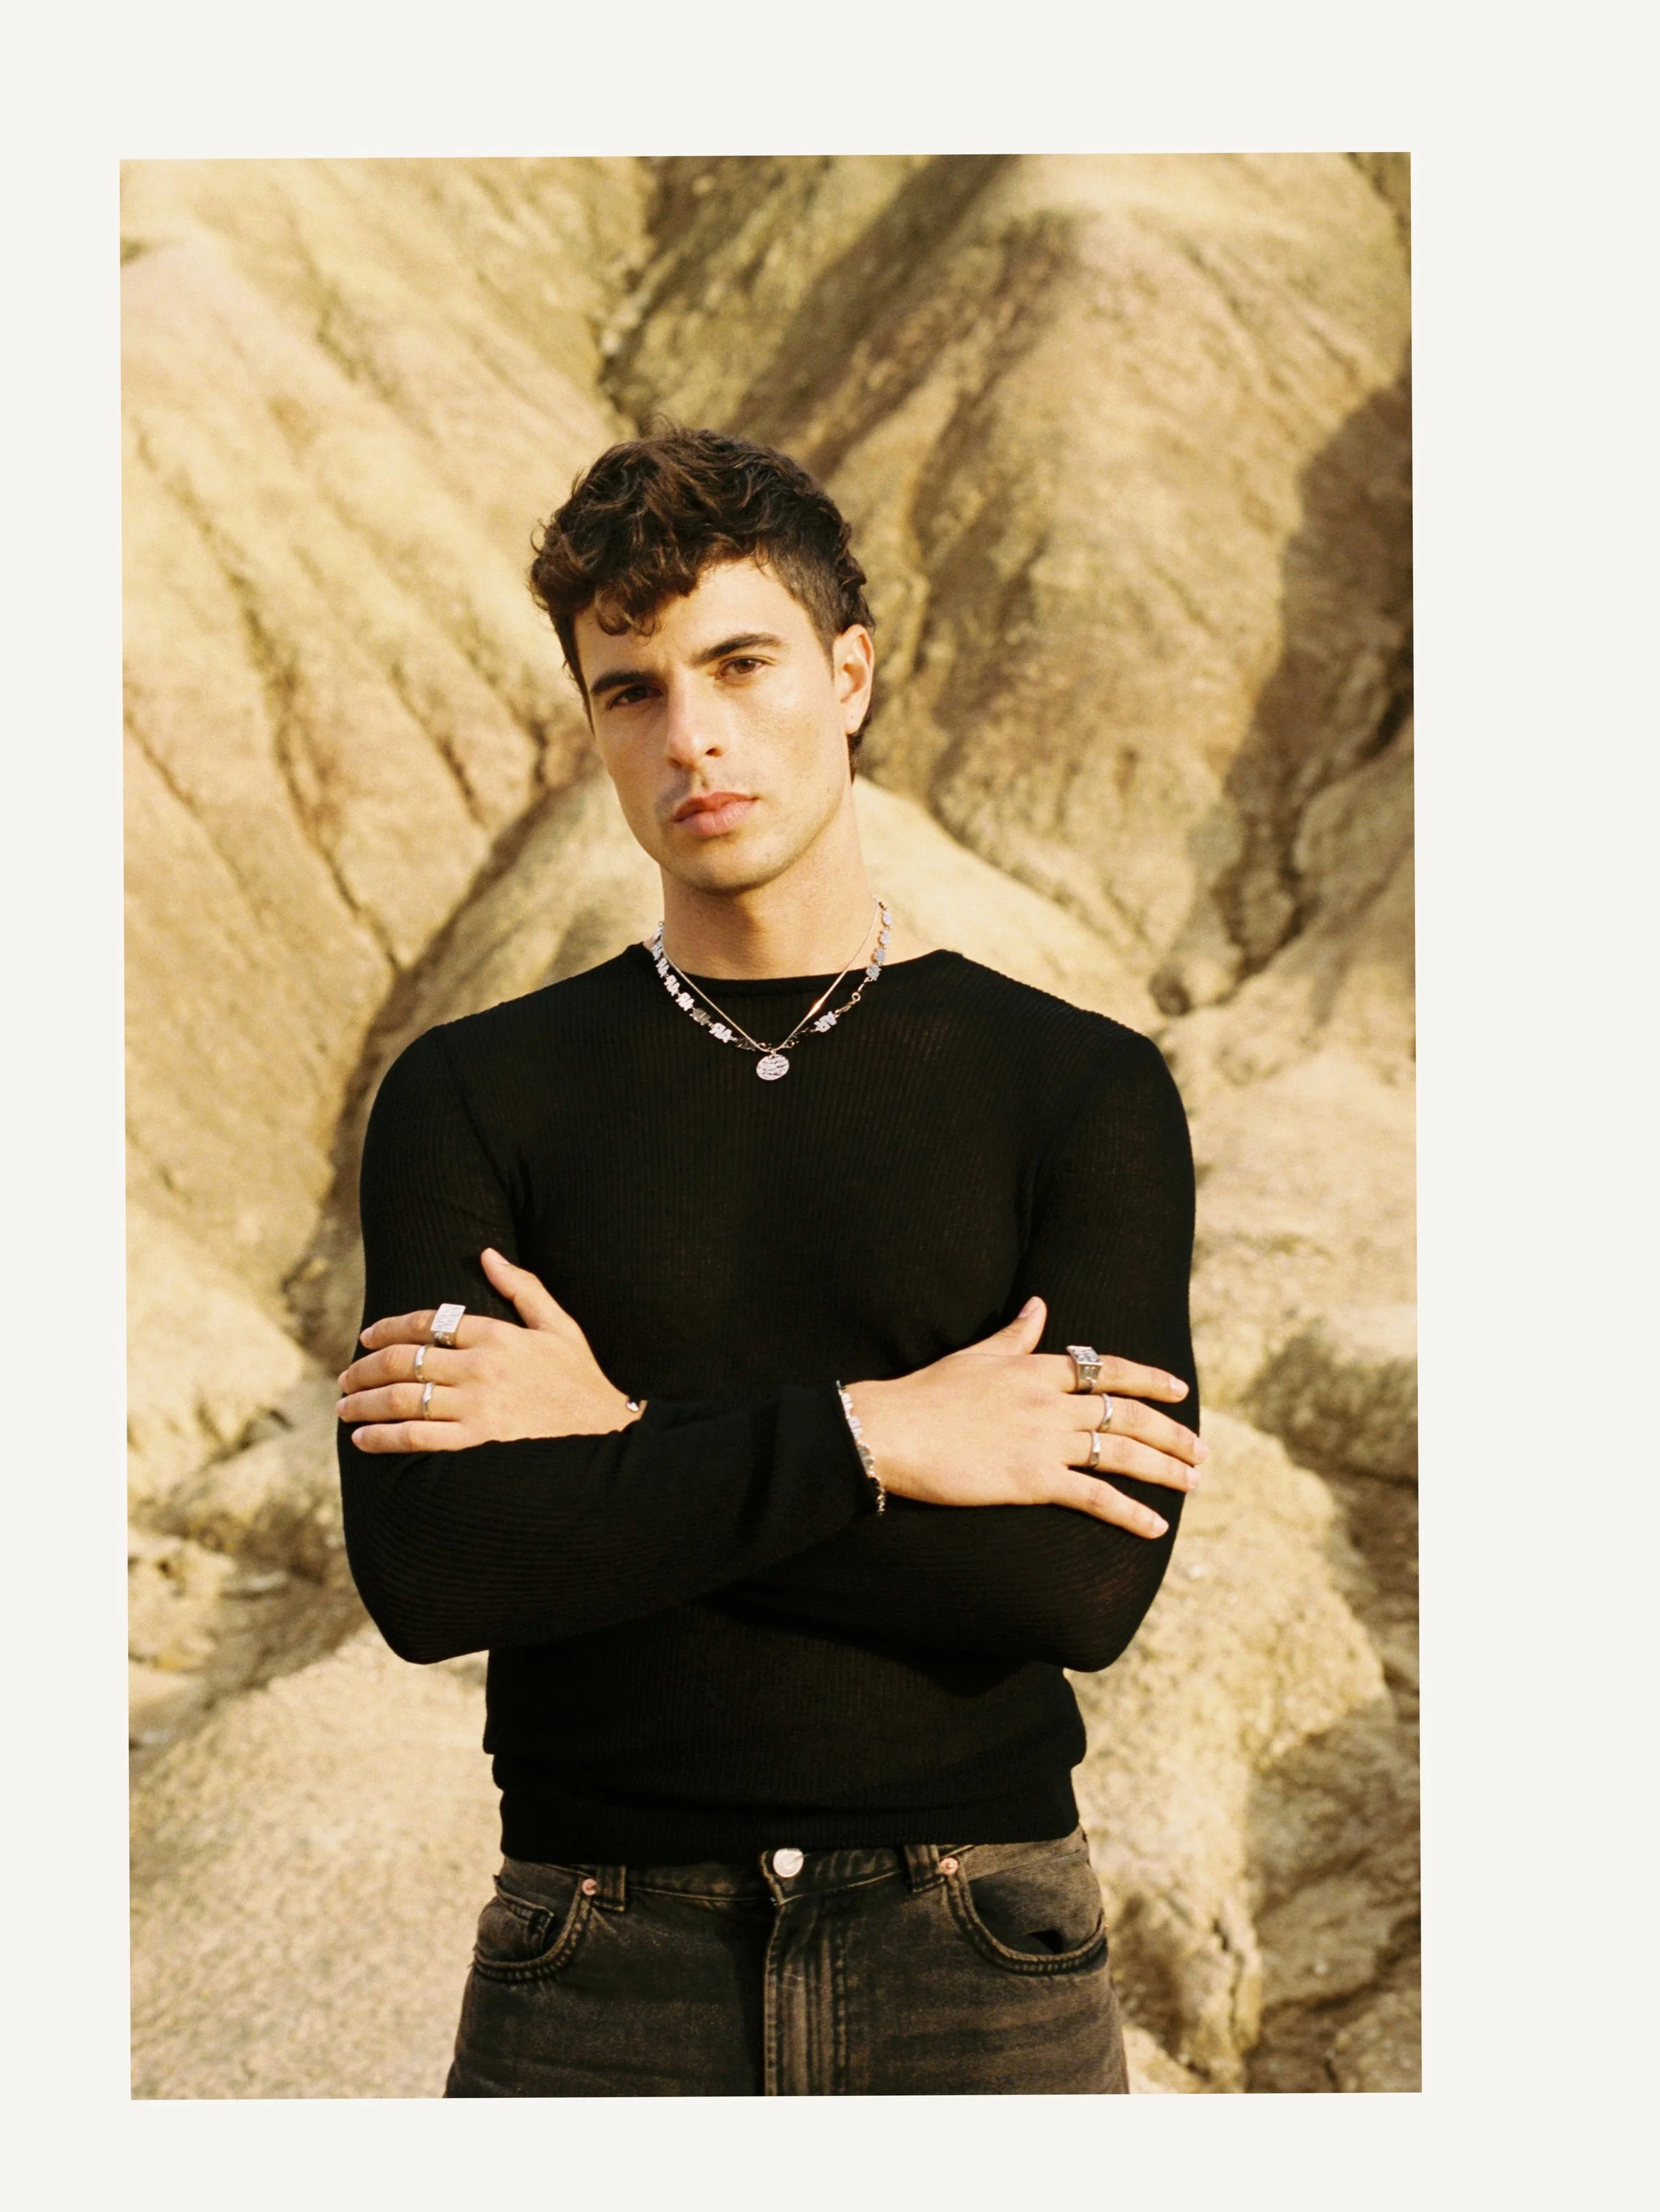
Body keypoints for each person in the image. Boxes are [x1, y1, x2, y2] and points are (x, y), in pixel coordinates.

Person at [333, 425, 1205, 2097]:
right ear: (592, 725)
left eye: (740, 663)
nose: (694, 735)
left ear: (849, 672)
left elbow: (1078, 1588)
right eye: (631, 690)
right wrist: (888, 1438)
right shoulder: (472, 1093)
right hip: (593, 1955)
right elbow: (434, 1571)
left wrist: (613, 1441)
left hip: (980, 1952)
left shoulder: (1077, 1089)